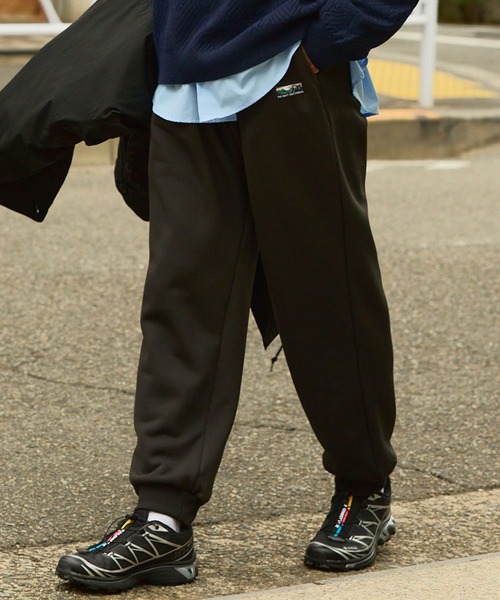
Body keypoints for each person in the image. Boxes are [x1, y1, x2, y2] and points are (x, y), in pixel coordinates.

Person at [55, 0, 419, 592]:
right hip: (184, 80)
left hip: (292, 65)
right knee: (181, 302)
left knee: (328, 294)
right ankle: (164, 517)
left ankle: (365, 487)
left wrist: (331, 40)